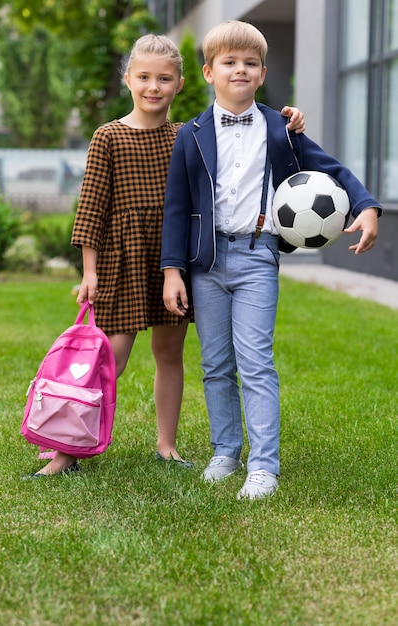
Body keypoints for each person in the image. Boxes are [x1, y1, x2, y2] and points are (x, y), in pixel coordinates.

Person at [27, 33, 305, 476]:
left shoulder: (190, 135)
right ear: (128, 80)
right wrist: (89, 271)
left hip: (176, 261)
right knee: (106, 361)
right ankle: (67, 449)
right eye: (143, 77)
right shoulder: (108, 136)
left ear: (180, 83)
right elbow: (91, 208)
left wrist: (288, 120)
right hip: (124, 262)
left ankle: (167, 445)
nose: (153, 86)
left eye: (164, 78)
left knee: (170, 353)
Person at [161, 20, 382, 500]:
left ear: (262, 73)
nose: (240, 69)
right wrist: (172, 270)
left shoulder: (281, 127)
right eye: (229, 62)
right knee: (216, 364)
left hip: (258, 255)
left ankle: (264, 466)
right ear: (208, 72)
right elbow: (176, 208)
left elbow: (332, 169)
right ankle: (226, 451)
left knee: (256, 362)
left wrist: (365, 206)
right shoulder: (189, 135)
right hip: (206, 263)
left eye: (250, 63)